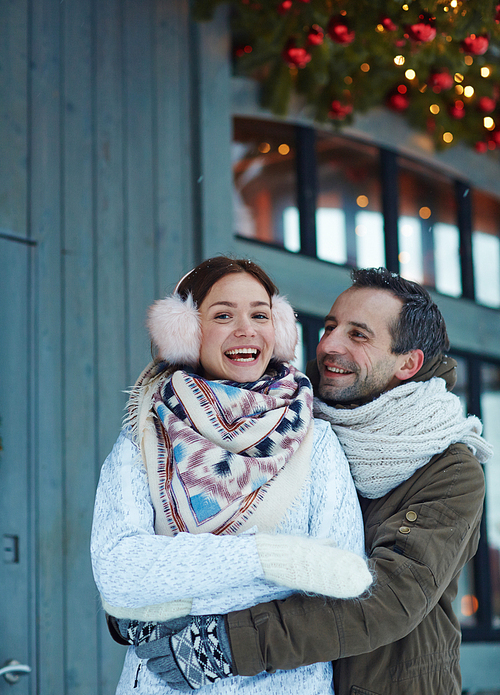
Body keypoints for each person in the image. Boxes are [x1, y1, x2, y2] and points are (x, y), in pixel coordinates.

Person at [144, 267, 493, 695]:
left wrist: (225, 643)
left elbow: (390, 596)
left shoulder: (450, 468)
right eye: (330, 326)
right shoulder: (285, 418)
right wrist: (151, 600)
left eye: (358, 335)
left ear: (409, 363)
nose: (329, 345)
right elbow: (222, 521)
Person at [90, 256, 372, 695]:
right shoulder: (144, 439)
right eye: (223, 315)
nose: (246, 329)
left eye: (260, 315)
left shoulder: (315, 443)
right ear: (187, 332)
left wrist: (177, 602)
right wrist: (269, 559)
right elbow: (118, 572)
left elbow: (340, 581)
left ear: (277, 330)